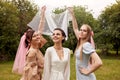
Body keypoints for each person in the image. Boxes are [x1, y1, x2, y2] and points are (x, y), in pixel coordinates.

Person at [68, 7, 102, 80]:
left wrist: (88, 71)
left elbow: (99, 62)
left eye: (84, 30)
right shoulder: (81, 41)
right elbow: (75, 28)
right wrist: (72, 15)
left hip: (86, 77)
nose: (81, 31)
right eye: (81, 30)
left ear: (88, 34)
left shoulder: (86, 45)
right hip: (81, 76)